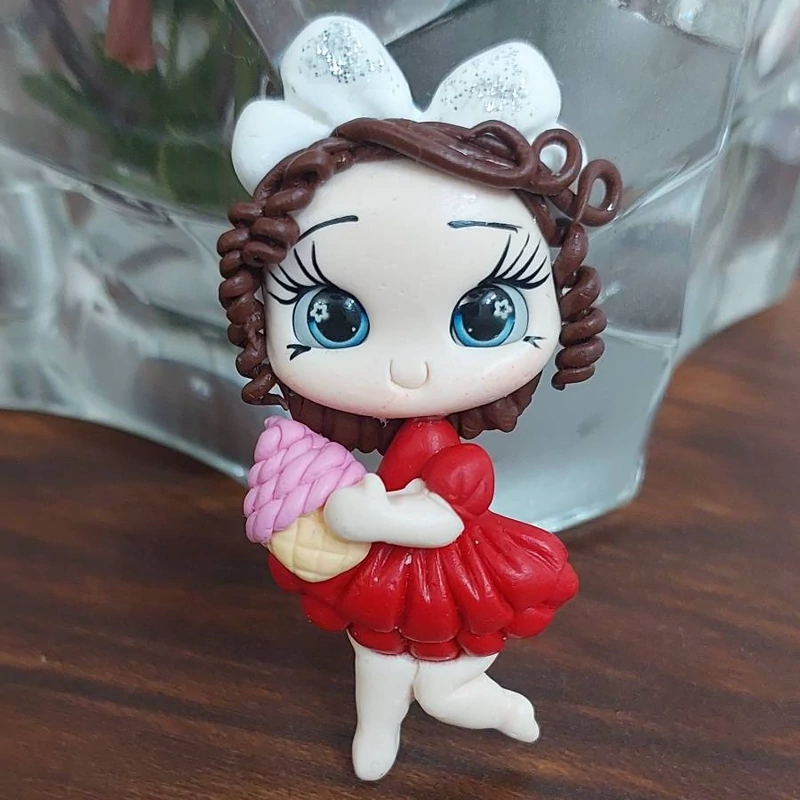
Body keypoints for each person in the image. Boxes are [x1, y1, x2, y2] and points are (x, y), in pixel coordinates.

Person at [217, 16, 622, 781]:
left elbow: (440, 522)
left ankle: (489, 705)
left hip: (448, 578)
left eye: (484, 316)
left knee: (436, 681)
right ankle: (377, 736)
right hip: (384, 576)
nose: (409, 368)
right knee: (375, 657)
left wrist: (357, 515)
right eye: (335, 318)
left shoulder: (462, 463)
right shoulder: (377, 440)